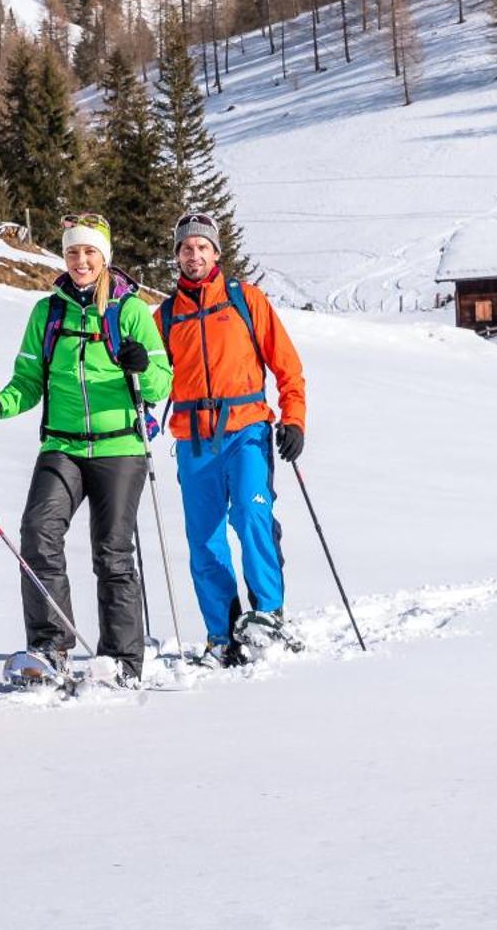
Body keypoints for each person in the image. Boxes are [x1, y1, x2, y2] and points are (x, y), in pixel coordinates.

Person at [0, 213, 172, 685]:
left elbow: (162, 380)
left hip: (120, 446)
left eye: (89, 251)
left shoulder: (129, 311)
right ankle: (51, 648)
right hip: (62, 446)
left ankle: (121, 660)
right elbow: (28, 382)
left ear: (104, 257)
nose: (80, 260)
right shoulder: (47, 313)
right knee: (37, 533)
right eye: (72, 251)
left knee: (112, 552)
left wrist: (140, 367)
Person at [157, 211, 307, 666]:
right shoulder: (164, 316)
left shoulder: (247, 300)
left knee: (250, 514)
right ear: (177, 256)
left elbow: (287, 365)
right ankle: (221, 634)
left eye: (202, 247)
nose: (194, 254)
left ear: (216, 253)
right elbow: (150, 381)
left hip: (247, 430)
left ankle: (268, 615)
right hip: (193, 441)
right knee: (204, 539)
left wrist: (294, 419)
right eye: (186, 248)